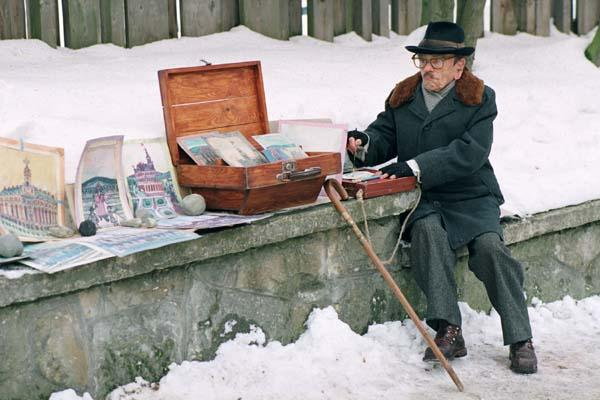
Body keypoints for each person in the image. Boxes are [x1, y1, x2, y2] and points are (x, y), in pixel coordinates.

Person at [346, 21, 537, 374]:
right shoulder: (404, 94)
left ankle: (520, 338)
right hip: (426, 198)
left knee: (491, 249)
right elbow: (384, 135)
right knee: (428, 235)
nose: (427, 68)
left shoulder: (479, 97)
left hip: (471, 194)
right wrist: (364, 143)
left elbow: (471, 152)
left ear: (458, 66)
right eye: (423, 60)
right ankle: (449, 329)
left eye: (436, 61)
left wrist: (416, 165)